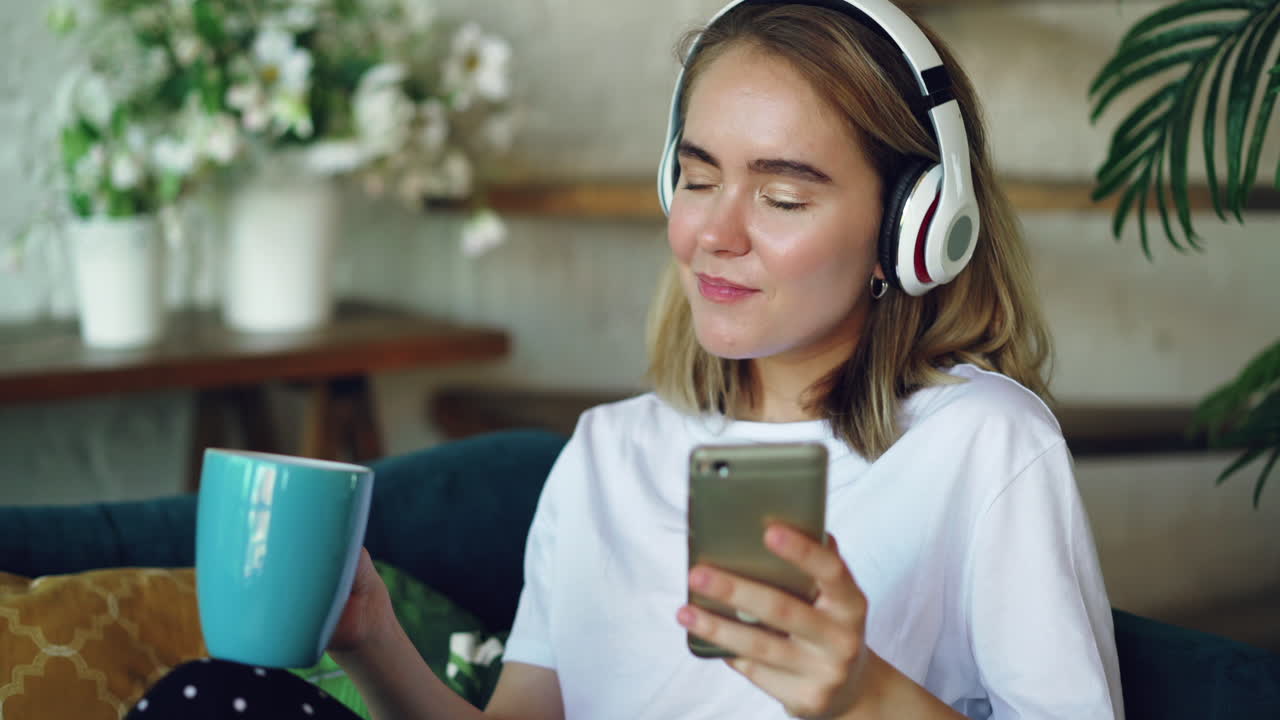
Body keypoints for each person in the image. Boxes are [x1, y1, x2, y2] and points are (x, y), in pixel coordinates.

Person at [129, 1, 1123, 718]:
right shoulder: (605, 453)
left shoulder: (983, 447)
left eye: (780, 198)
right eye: (695, 179)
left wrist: (864, 697)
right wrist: (371, 639)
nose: (713, 234)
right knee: (206, 700)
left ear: (915, 227)